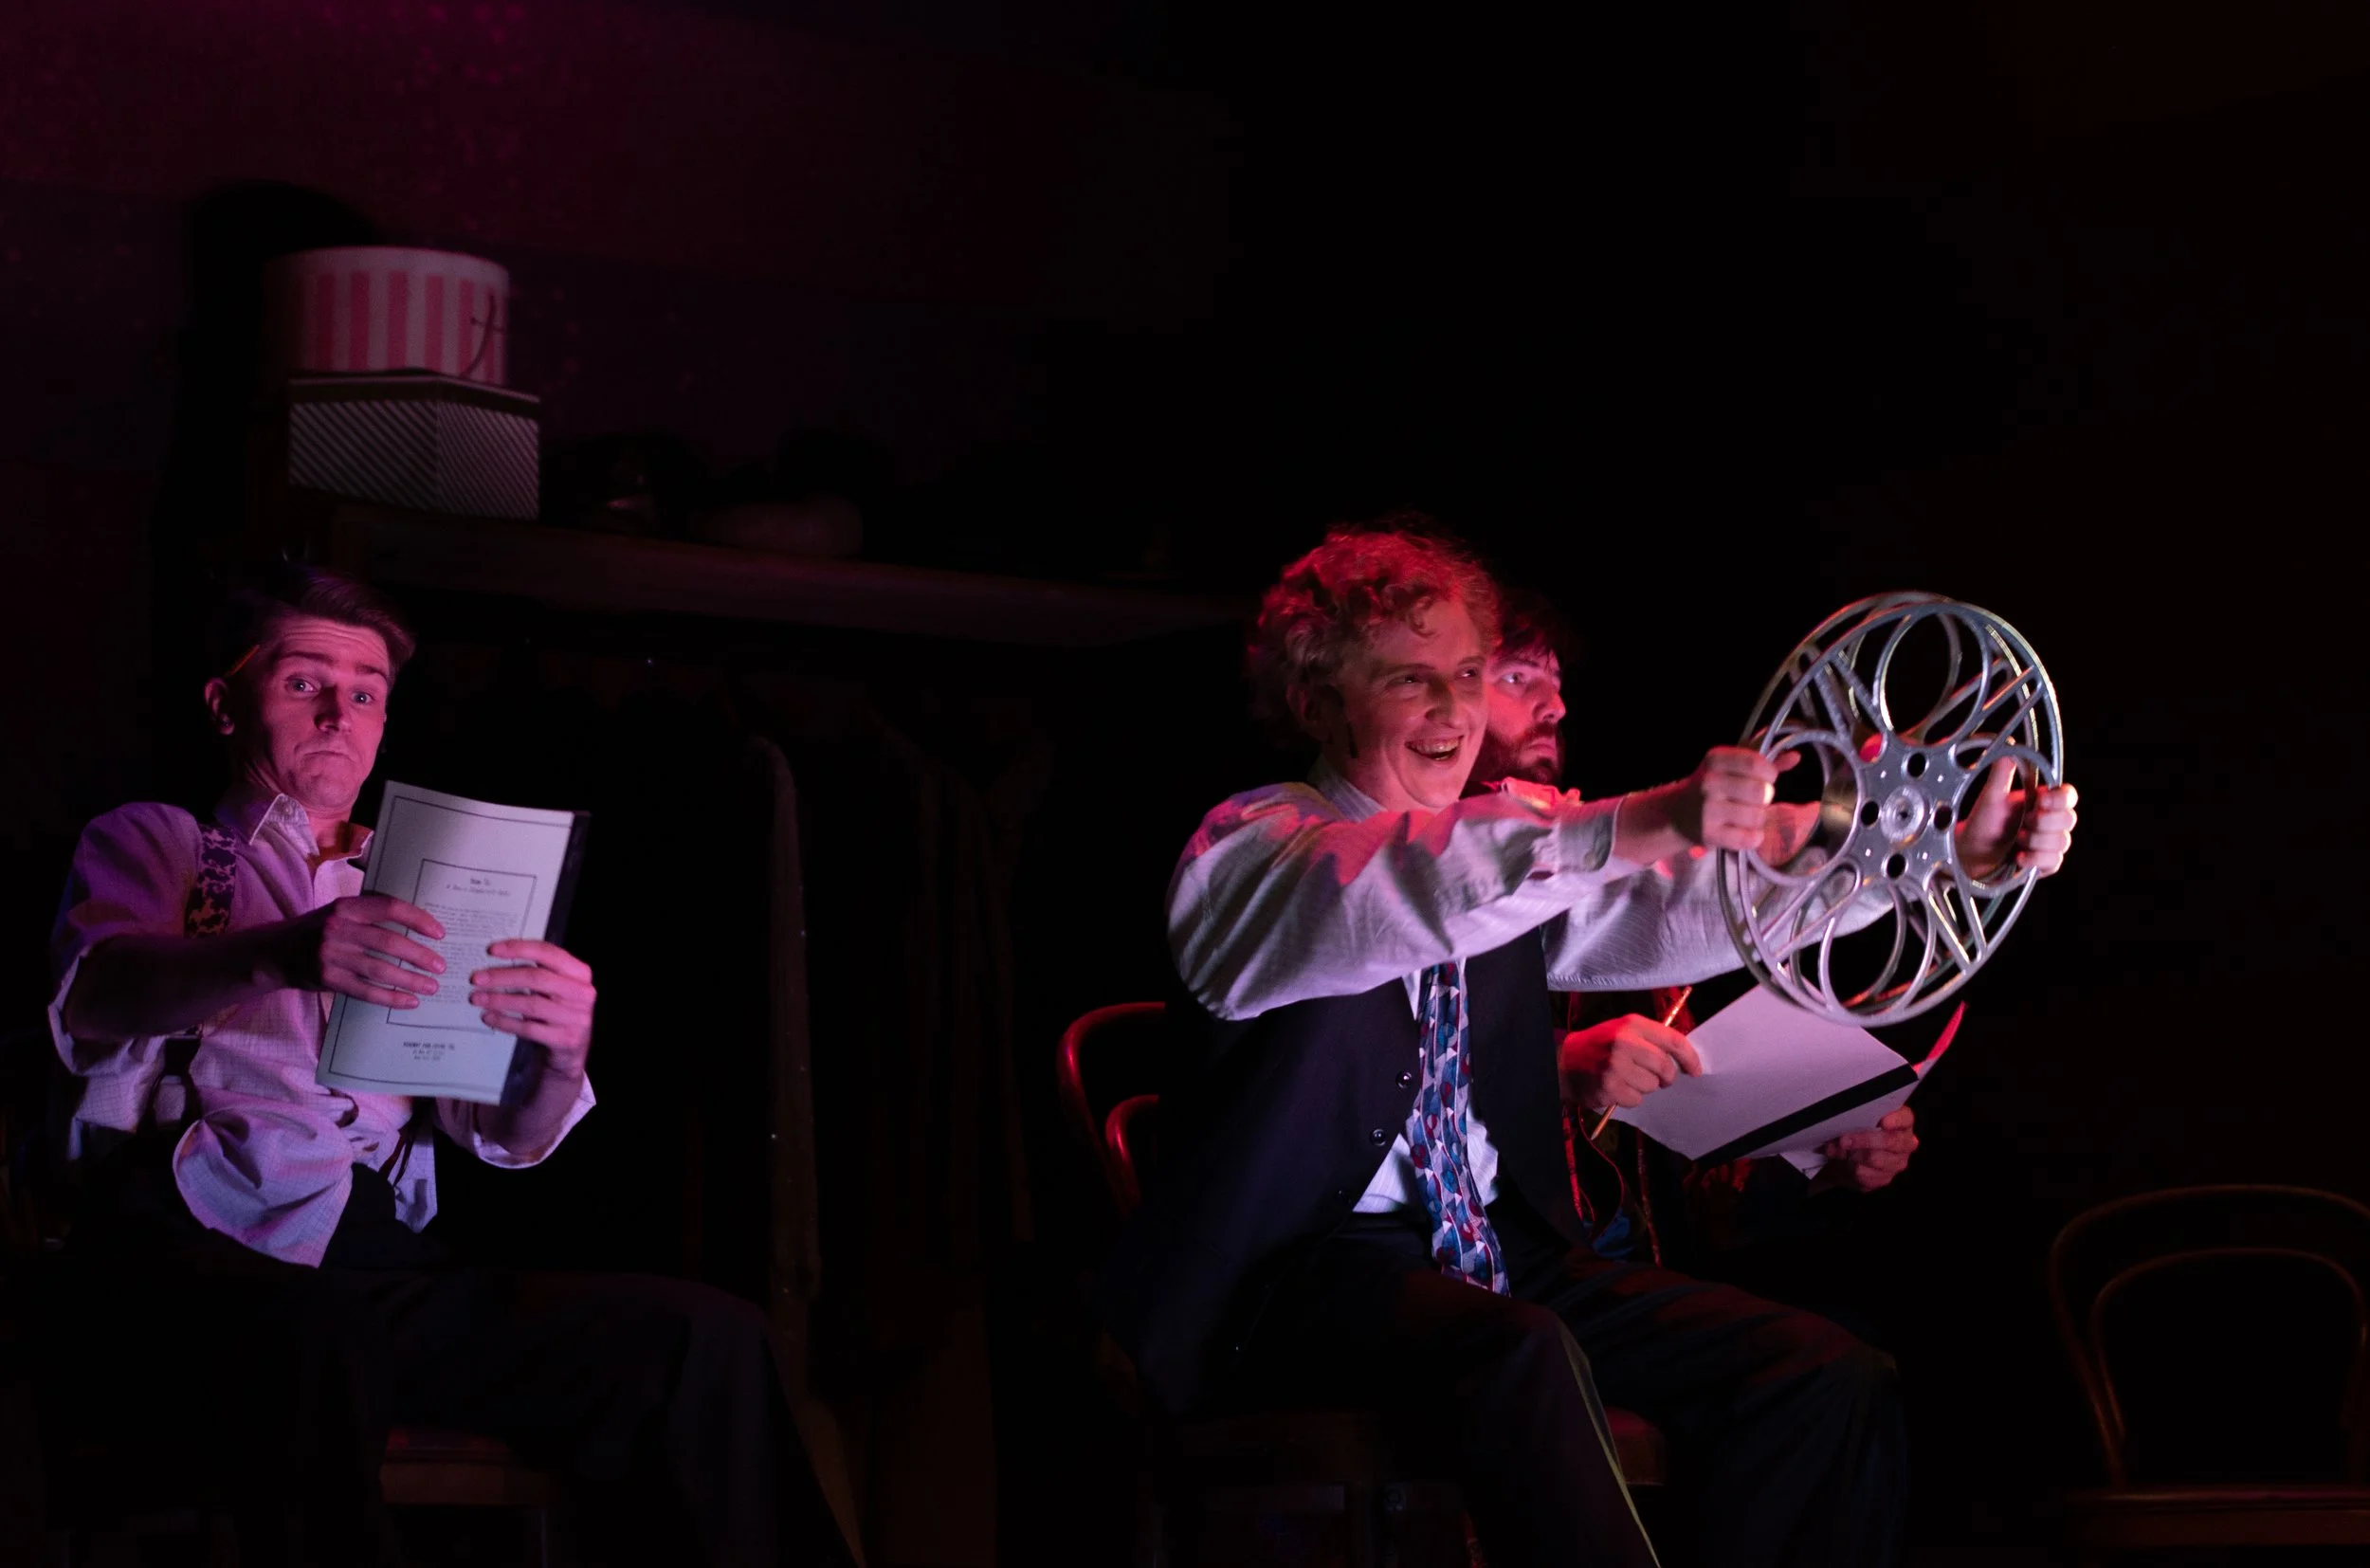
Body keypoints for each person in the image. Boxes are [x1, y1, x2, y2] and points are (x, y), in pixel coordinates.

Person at [1097, 520, 2078, 1567]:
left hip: (1497, 1265)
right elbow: (1403, 886)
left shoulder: (1508, 861)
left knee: (1817, 1371)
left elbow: (1679, 900)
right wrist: (1644, 820)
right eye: (1407, 679)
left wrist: (1919, 853)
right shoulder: (1252, 852)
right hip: (1290, 1287)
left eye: (1466, 675)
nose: (1452, 709)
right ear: (1314, 703)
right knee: (1520, 1351)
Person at [41, 565, 850, 1567]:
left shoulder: (421, 877)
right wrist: (281, 952)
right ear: (225, 704)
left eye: (366, 693)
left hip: (374, 1264)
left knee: (702, 1338)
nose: (338, 713)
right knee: (316, 1330)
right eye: (304, 682)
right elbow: (96, 995)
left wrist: (559, 1054)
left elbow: (504, 1138)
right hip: (188, 1251)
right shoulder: (162, 843)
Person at [1473, 591, 1921, 1277]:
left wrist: (1823, 1162)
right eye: (1516, 677)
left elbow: (1687, 1200)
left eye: (1556, 683)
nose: (1554, 706)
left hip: (1623, 1281)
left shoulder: (1627, 928)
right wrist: (1553, 1065)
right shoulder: (1403, 871)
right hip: (1490, 1277)